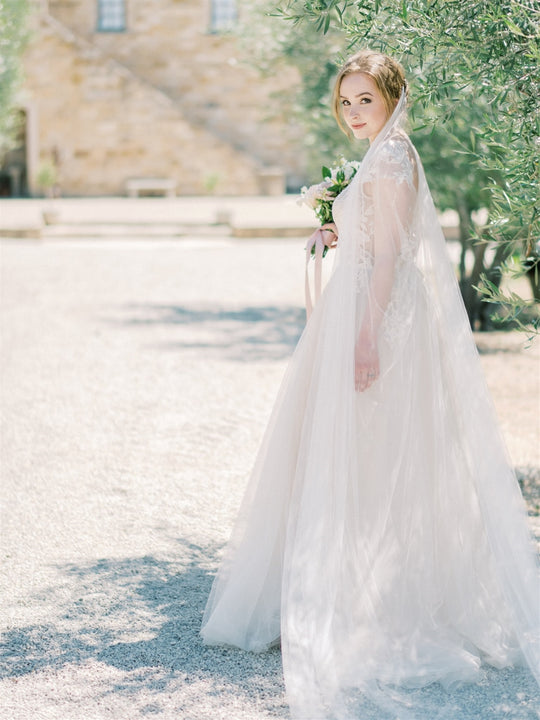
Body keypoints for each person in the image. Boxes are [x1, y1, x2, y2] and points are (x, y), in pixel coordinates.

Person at [201, 50, 539, 719]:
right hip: (361, 304)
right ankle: (349, 585)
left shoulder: (389, 158)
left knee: (372, 453)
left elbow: (390, 253)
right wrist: (336, 227)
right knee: (354, 449)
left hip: (375, 314)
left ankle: (376, 603)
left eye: (366, 100)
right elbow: (379, 234)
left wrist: (367, 334)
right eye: (346, 102)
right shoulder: (385, 154)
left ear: (391, 98)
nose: (355, 112)